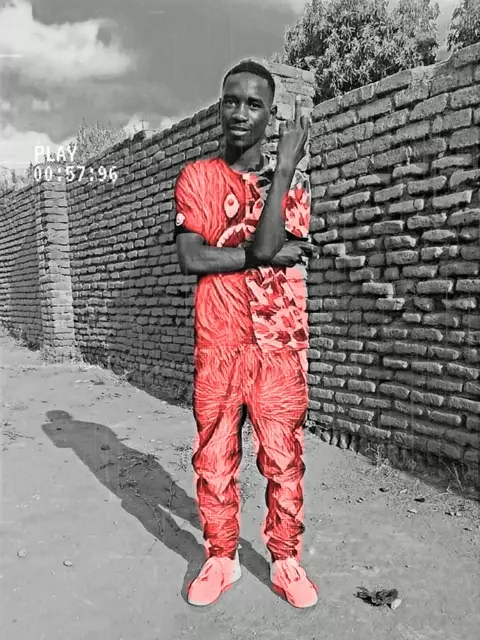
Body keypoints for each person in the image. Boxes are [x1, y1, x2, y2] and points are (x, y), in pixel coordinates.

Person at [174, 59, 318, 609]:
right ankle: (221, 557)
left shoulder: (293, 184)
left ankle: (285, 559)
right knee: (214, 458)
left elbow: (269, 245)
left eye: (253, 104)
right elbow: (192, 258)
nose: (240, 112)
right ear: (220, 107)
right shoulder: (196, 178)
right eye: (231, 101)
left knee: (283, 459)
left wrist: (283, 169)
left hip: (280, 341)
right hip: (218, 340)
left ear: (270, 114)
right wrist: (261, 254)